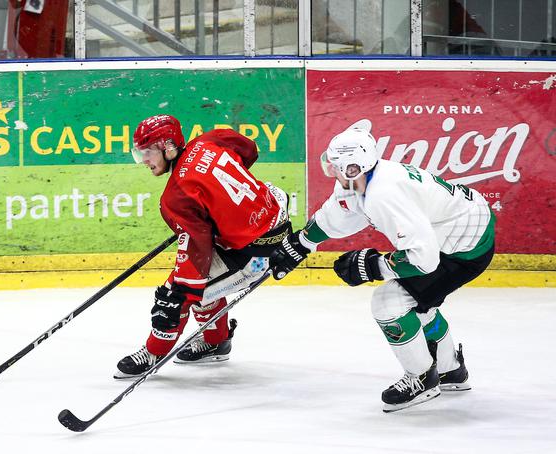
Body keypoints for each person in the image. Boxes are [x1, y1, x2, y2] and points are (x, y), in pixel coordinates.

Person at [270, 127, 495, 412]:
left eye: (335, 165)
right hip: (462, 231)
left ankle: (422, 378)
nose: (329, 169)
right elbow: (336, 214)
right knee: (417, 302)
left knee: (390, 303)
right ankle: (451, 370)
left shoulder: (385, 195)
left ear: (352, 167)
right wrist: (300, 244)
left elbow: (424, 260)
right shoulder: (363, 179)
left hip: (464, 249)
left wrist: (374, 266)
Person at [115, 114, 291, 379]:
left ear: (168, 146)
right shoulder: (209, 140)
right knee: (204, 281)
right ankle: (215, 340)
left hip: (258, 257)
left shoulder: (177, 196)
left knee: (180, 291)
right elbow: (248, 149)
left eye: (148, 152)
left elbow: (196, 253)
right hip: (278, 218)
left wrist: (180, 295)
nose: (144, 161)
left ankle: (154, 351)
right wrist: (221, 206)